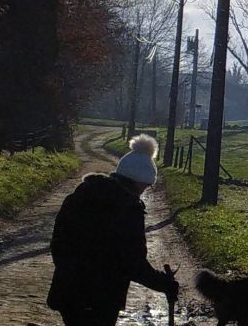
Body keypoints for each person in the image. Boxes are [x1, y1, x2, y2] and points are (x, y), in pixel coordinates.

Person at [47, 135, 179, 325]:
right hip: (102, 298)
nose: (145, 190)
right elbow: (133, 263)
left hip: (67, 291)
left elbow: (57, 243)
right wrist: (163, 283)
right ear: (138, 180)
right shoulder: (128, 209)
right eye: (146, 185)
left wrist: (69, 270)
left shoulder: (81, 195)